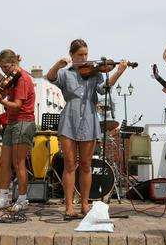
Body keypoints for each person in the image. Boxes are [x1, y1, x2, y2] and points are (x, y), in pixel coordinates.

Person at [46, 39, 128, 217]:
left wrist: (119, 72)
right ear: (72, 55)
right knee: (69, 164)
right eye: (80, 55)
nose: (84, 58)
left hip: (90, 118)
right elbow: (50, 77)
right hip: (69, 117)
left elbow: (103, 90)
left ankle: (84, 205)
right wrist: (58, 64)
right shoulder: (65, 73)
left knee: (85, 165)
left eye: (86, 55)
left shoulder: (94, 73)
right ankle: (68, 206)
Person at [0, 49, 36, 211]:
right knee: (3, 162)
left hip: (24, 122)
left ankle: (22, 200)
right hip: (12, 122)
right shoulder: (11, 78)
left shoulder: (23, 79)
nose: (3, 71)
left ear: (14, 63)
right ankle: (4, 197)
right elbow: (2, 93)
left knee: (18, 163)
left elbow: (17, 106)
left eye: (5, 67)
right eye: (1, 67)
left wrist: (1, 100)